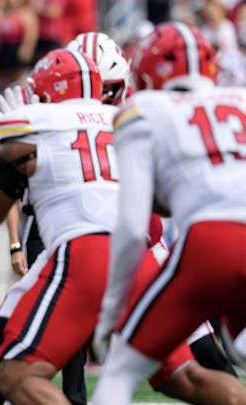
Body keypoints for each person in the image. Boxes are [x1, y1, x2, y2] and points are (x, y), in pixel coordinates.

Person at [0, 47, 246, 405]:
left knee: (17, 373)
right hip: (141, 259)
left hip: (82, 253)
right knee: (188, 379)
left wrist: (7, 155)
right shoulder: (126, 118)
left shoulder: (33, 126)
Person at [93, 22, 246, 405]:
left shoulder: (144, 109)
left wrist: (112, 310)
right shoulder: (241, 99)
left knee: (121, 369)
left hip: (214, 243)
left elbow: (131, 226)